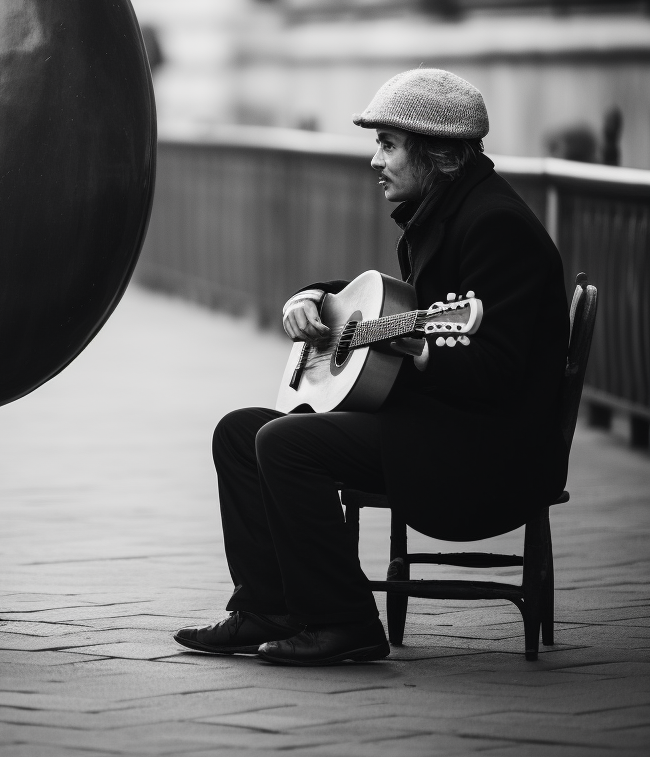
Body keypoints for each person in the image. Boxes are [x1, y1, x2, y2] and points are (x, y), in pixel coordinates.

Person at [173, 69, 569, 667]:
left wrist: (422, 348)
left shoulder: (496, 226)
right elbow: (395, 303)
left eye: (387, 144)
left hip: (482, 451)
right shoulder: (443, 209)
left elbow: (499, 370)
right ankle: (267, 609)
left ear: (437, 152)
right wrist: (308, 298)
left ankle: (343, 622)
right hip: (435, 425)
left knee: (285, 443)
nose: (374, 159)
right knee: (237, 432)